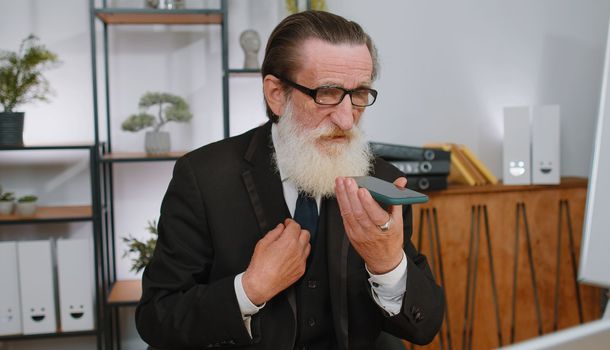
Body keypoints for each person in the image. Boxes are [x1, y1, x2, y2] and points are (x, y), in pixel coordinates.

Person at [136, 10, 444, 350]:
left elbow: (425, 325)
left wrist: (388, 266)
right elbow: (156, 317)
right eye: (326, 93)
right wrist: (249, 289)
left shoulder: (384, 182)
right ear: (276, 94)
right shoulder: (203, 177)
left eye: (359, 93)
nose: (346, 119)